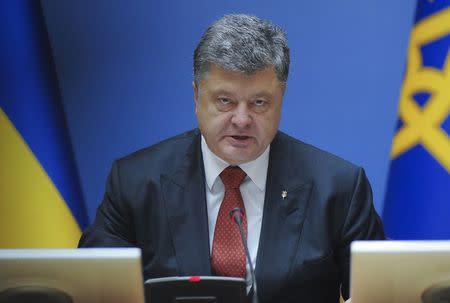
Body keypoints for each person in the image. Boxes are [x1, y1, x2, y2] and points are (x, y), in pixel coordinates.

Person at [79, 14, 385, 303]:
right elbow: (91, 287)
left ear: (281, 99)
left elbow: (385, 293)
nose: (242, 119)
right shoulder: (135, 182)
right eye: (225, 101)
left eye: (259, 103)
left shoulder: (338, 188)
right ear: (196, 96)